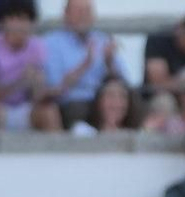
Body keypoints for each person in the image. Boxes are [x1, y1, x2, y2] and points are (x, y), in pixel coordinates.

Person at [42, 0, 127, 129]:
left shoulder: (103, 40)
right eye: (79, 11)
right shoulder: (51, 43)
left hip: (103, 102)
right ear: (66, 14)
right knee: (78, 110)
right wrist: (85, 65)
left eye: (87, 11)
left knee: (128, 103)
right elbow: (55, 88)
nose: (83, 16)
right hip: (72, 104)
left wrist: (109, 63)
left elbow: (124, 83)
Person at [0, 1, 58, 131]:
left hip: (23, 108)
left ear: (31, 24)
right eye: (12, 18)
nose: (17, 25)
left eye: (22, 19)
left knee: (49, 111)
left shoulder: (37, 46)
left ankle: (58, 149)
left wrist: (38, 86)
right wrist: (21, 81)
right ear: (3, 21)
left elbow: (38, 96)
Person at [69, 73, 141, 134]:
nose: (116, 103)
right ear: (99, 101)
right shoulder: (82, 131)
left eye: (122, 96)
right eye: (110, 95)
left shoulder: (135, 134)